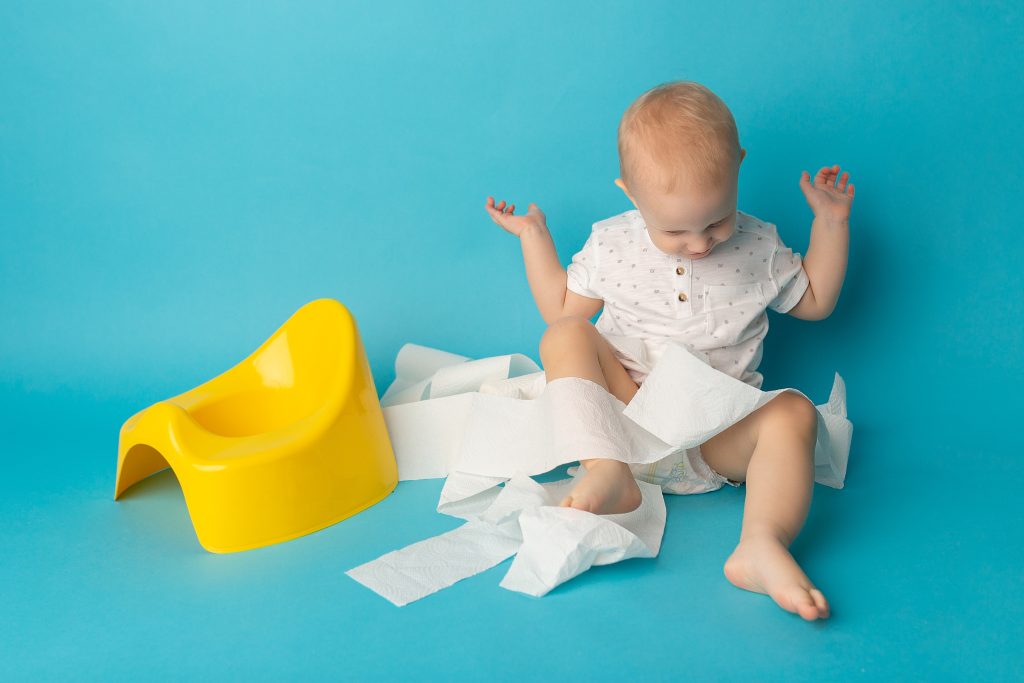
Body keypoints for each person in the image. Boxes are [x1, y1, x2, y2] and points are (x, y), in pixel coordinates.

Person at [484, 80, 855, 621]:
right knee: (564, 335)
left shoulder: (759, 246)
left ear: (738, 167)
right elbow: (562, 307)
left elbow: (815, 301)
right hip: (624, 418)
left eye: (718, 221)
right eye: (675, 230)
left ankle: (761, 543)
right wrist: (532, 236)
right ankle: (606, 470)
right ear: (631, 195)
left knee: (795, 412)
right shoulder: (612, 244)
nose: (701, 244)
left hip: (714, 439)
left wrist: (832, 222)